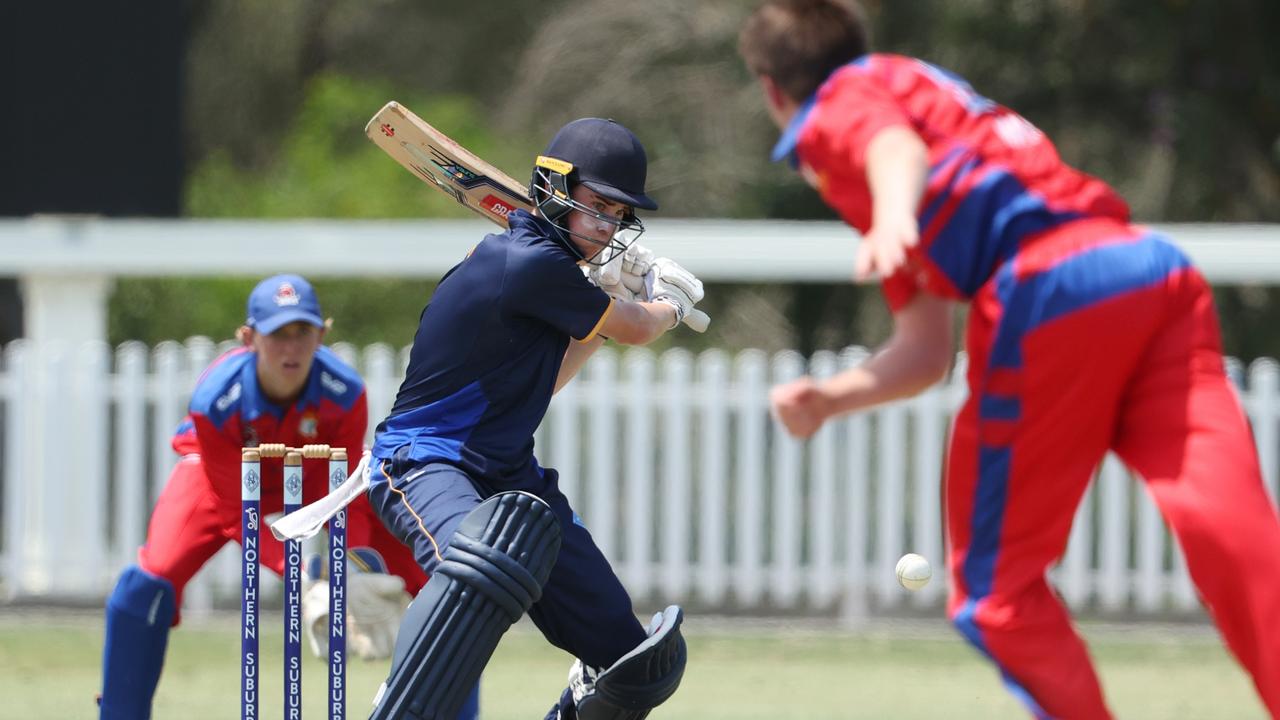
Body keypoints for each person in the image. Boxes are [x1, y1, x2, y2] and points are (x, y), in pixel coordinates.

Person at [739, 1, 1280, 718]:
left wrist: (895, 213)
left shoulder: (846, 104)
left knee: (996, 595)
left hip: (1048, 294)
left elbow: (895, 151)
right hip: (1148, 273)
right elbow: (927, 351)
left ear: (772, 89)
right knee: (1237, 538)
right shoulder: (915, 90)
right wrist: (832, 397)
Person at [364, 118, 696, 720]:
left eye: (618, 213)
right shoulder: (526, 261)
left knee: (635, 666)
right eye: (596, 205)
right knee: (476, 575)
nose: (607, 225)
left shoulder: (553, 275)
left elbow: (549, 380)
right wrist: (666, 302)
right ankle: (398, 704)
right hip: (423, 461)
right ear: (552, 187)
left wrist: (599, 309)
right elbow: (642, 328)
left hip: (508, 471)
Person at [97, 274, 480, 720]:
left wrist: (349, 566)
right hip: (223, 482)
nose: (291, 348)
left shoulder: (345, 393)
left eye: (303, 333)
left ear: (322, 333)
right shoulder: (216, 402)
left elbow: (347, 492)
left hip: (318, 478)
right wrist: (303, 571)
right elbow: (234, 509)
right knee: (146, 585)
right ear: (248, 338)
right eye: (277, 334)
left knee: (446, 584)